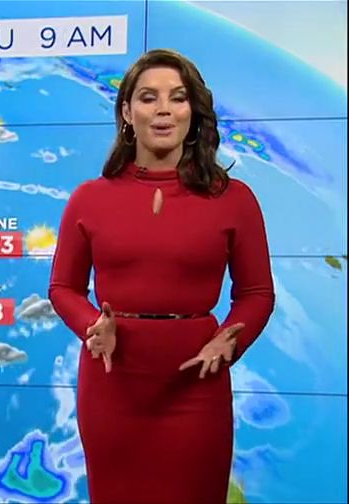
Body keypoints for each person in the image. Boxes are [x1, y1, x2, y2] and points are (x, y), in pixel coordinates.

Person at [48, 48, 275, 503]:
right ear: (127, 113)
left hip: (197, 384)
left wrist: (230, 340)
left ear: (194, 111)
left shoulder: (235, 200)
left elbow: (256, 293)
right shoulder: (89, 199)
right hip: (112, 383)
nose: (164, 109)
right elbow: (63, 288)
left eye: (178, 97)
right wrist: (93, 327)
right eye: (149, 97)